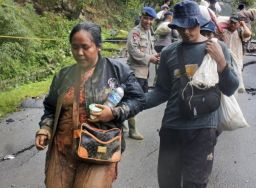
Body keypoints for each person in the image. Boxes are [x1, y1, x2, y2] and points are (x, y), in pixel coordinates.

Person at [34, 22, 145, 188]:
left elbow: (138, 99)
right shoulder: (63, 75)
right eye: (75, 47)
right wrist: (45, 129)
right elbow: (50, 107)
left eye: (85, 47)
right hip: (62, 149)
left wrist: (114, 112)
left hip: (99, 148)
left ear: (98, 46)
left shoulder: (117, 71)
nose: (79, 53)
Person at [144, 1, 239, 187]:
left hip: (203, 130)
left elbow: (230, 88)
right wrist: (133, 104)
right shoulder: (168, 52)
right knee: (167, 183)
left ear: (200, 23)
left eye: (191, 25)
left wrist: (220, 61)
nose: (186, 32)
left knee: (195, 184)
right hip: (171, 128)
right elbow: (161, 91)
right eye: (181, 27)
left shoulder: (218, 48)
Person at [126, 6, 160, 140]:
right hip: (135, 72)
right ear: (141, 17)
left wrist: (155, 56)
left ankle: (122, 122)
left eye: (151, 19)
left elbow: (150, 50)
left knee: (138, 100)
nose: (148, 21)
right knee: (133, 101)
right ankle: (132, 130)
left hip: (144, 73)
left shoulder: (149, 32)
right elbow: (133, 50)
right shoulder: (135, 32)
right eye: (146, 18)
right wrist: (148, 58)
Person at [218, 14, 252, 93]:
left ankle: (236, 89)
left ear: (238, 24)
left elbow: (248, 34)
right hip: (225, 57)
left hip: (237, 57)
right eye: (231, 22)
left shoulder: (240, 32)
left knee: (237, 74)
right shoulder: (224, 32)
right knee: (226, 74)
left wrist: (243, 24)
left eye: (235, 23)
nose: (232, 24)